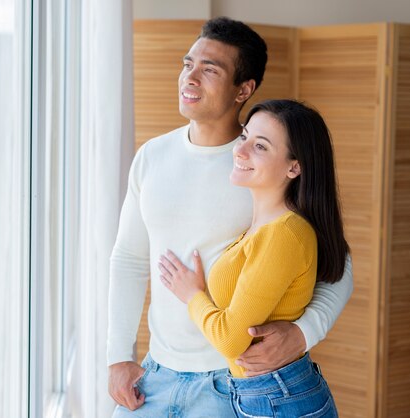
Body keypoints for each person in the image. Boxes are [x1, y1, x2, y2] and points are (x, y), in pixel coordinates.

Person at [107, 16, 353, 417]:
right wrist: (118, 354)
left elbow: (336, 263)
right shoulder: (152, 156)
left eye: (210, 69)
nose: (190, 77)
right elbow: (129, 259)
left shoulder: (263, 168)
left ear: (245, 89)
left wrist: (303, 333)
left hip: (232, 381)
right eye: (188, 64)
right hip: (156, 373)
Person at [159, 99, 346, 417]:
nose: (240, 151)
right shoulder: (264, 227)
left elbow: (232, 340)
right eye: (244, 136)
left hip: (278, 398)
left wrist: (192, 295)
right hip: (261, 393)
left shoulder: (284, 233)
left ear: (294, 167)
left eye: (260, 146)